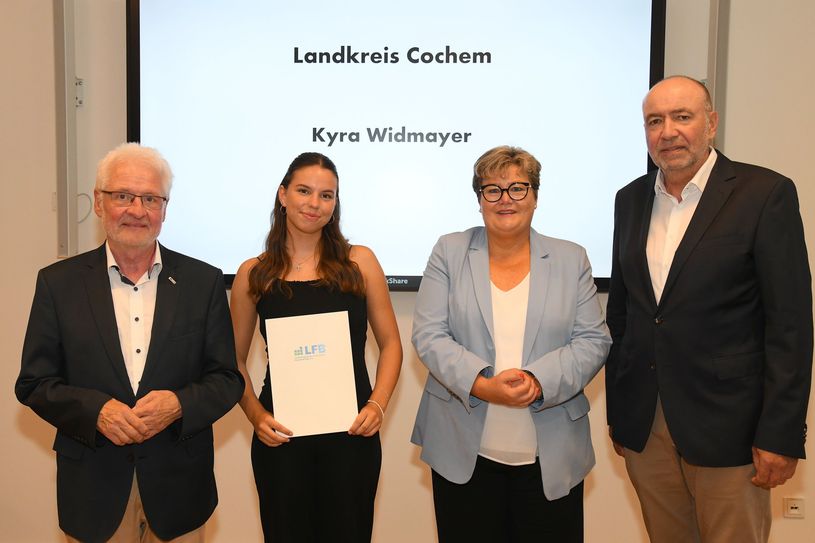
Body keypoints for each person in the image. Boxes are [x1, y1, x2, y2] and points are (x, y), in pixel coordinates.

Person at [605, 75, 813, 543]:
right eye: (654, 121)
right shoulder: (630, 199)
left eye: (682, 117)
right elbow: (623, 315)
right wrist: (620, 412)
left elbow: (791, 326)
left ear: (711, 123)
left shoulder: (764, 194)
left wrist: (780, 433)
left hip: (731, 427)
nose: (668, 132)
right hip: (647, 425)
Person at [15, 143, 244, 542]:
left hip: (180, 490)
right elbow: (34, 384)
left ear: (164, 209)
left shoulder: (202, 282)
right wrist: (96, 411)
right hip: (93, 490)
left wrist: (178, 404)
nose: (137, 210)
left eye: (150, 199)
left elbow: (227, 379)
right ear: (99, 202)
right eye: (123, 196)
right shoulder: (58, 283)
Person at [411, 145, 611, 542]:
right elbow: (429, 334)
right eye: (492, 189)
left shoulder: (571, 258)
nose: (506, 199)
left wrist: (538, 382)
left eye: (518, 188)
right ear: (479, 199)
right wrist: (482, 385)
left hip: (552, 455)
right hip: (462, 452)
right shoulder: (449, 251)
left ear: (535, 196)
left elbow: (593, 340)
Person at [230, 152, 402, 542]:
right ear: (283, 195)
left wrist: (377, 405)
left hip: (352, 435)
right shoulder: (253, 273)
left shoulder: (360, 262)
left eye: (327, 195)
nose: (315, 203)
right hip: (281, 437)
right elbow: (233, 360)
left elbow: (392, 344)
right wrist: (255, 415)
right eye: (304, 191)